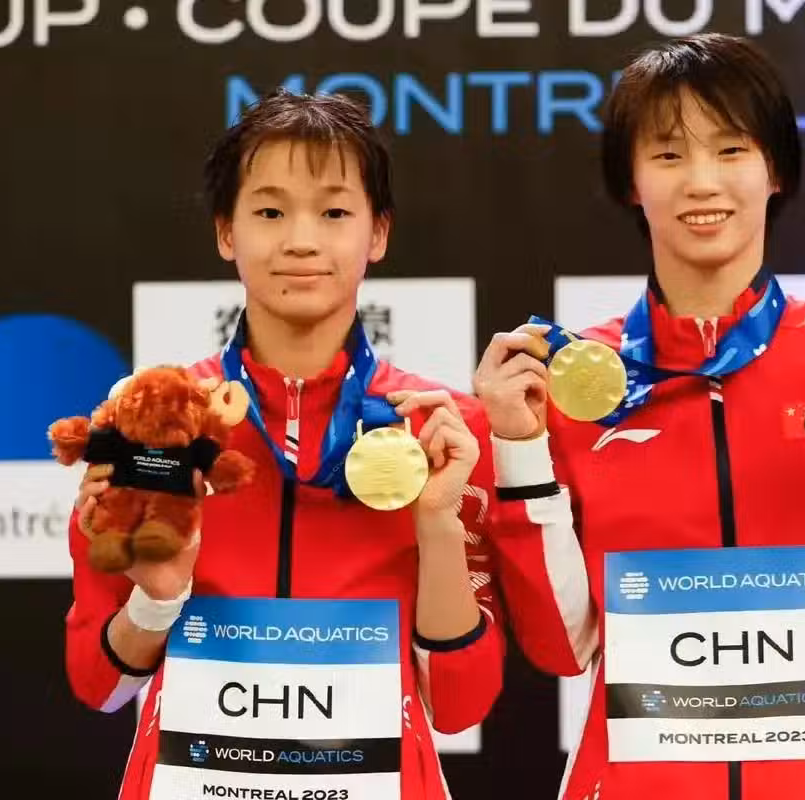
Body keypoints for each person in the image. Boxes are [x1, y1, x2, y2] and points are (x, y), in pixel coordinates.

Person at [474, 33, 805, 800]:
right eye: (669, 154)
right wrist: (519, 453)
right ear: (630, 182)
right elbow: (560, 646)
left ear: (775, 170)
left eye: (732, 149)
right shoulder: (575, 383)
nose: (701, 181)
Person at [65, 88, 504, 800]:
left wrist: (436, 523)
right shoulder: (157, 421)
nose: (301, 240)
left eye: (334, 213)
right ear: (226, 232)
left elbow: (461, 704)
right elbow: (97, 682)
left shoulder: (440, 430)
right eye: (270, 212)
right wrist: (158, 599)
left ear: (378, 233)